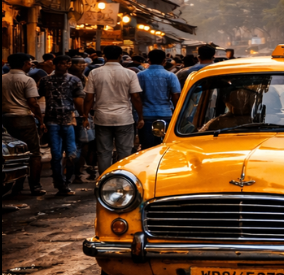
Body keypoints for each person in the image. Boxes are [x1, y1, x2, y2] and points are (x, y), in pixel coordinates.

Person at [83, 45, 144, 174]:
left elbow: (89, 98)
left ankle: (104, 180)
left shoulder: (94, 73)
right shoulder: (130, 73)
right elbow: (136, 98)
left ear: (104, 57)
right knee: (125, 152)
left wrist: (85, 116)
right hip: (124, 118)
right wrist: (140, 117)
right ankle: (123, 180)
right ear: (120, 56)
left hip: (102, 118)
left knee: (104, 152)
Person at [37, 56, 85, 196]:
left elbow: (38, 96)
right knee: (60, 154)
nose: (65, 65)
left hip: (64, 120)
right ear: (55, 64)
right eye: (62, 63)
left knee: (68, 153)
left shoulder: (71, 80)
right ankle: (61, 183)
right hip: (58, 120)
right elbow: (78, 100)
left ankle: (64, 182)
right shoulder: (48, 80)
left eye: (67, 63)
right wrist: (83, 115)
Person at [1, 53, 47, 195]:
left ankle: (16, 185)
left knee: (14, 153)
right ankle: (35, 185)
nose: (31, 66)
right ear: (25, 63)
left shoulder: (2, 79)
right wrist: (40, 120)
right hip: (23, 119)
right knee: (34, 153)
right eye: (29, 63)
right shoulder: (27, 80)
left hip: (5, 119)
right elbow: (32, 103)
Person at [136, 50, 182, 149]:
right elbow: (176, 97)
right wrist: (177, 115)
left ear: (149, 60)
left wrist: (139, 116)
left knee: (147, 147)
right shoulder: (170, 76)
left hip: (146, 115)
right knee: (166, 146)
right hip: (166, 115)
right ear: (164, 61)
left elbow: (137, 97)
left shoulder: (140, 75)